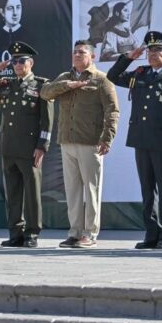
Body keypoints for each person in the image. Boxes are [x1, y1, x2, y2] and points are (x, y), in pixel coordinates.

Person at [107, 31, 162, 250]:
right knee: (147, 189)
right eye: (150, 50)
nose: (153, 54)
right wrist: (129, 58)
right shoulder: (140, 73)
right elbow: (112, 76)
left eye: (158, 51)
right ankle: (151, 233)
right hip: (141, 139)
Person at [41, 40, 119, 249]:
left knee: (91, 190)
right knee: (72, 190)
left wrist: (107, 137)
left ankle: (90, 233)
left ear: (92, 57)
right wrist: (67, 86)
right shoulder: (65, 77)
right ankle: (74, 232)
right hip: (67, 142)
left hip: (90, 142)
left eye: (82, 52)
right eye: (75, 52)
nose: (77, 55)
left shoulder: (101, 80)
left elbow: (112, 110)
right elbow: (45, 92)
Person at [0, 42, 54, 248]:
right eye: (14, 61)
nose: (17, 65)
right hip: (8, 146)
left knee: (31, 193)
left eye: (22, 61)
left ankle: (32, 234)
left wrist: (42, 146)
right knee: (12, 194)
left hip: (30, 148)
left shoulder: (41, 85)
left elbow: (47, 121)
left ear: (31, 63)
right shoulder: (6, 83)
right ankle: (15, 233)